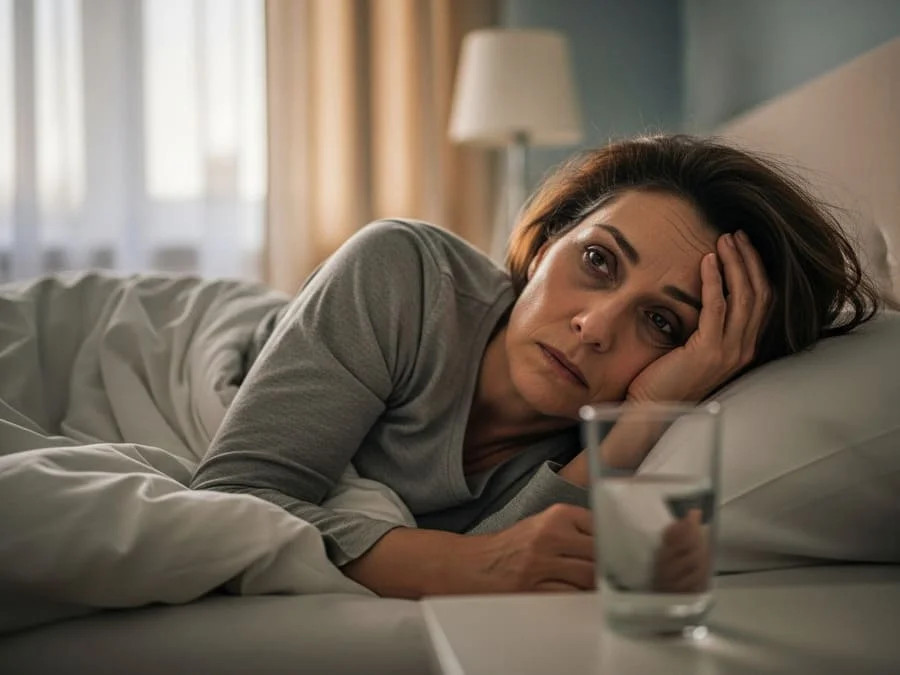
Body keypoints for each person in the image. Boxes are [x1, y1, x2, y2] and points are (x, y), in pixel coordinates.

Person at [191, 134, 880, 598]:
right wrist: (456, 562)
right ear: (547, 240)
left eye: (663, 321)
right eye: (598, 260)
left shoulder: (597, 448)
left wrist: (638, 422)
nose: (596, 326)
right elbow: (229, 504)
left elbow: (511, 575)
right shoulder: (403, 274)